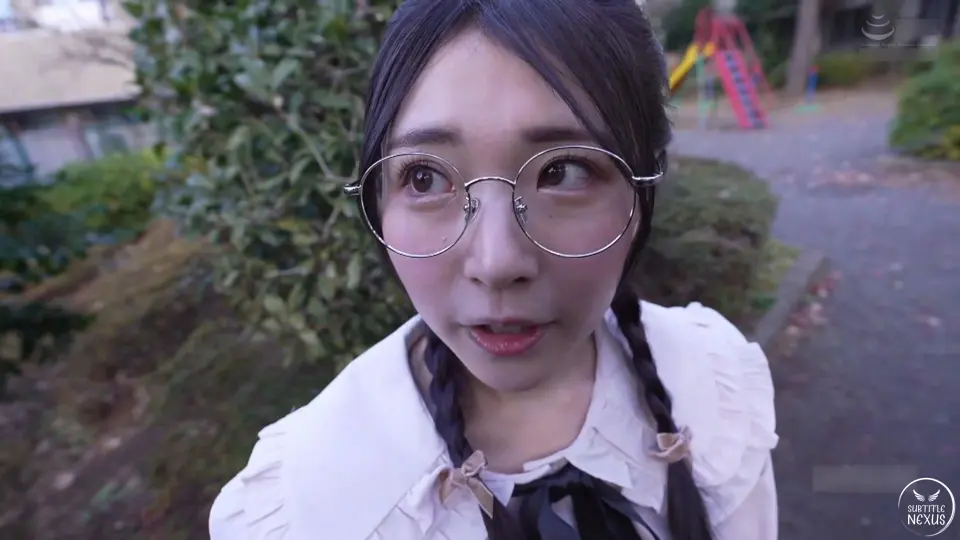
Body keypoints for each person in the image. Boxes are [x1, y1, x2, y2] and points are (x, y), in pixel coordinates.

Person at [208, 1, 779, 539]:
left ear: (643, 190)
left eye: (563, 172)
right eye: (426, 178)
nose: (497, 261)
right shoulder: (301, 508)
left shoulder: (713, 392)